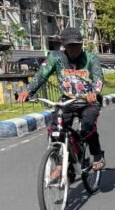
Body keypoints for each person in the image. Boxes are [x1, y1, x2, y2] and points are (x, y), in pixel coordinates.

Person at [18, 27, 105, 170]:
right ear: (64, 45)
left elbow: (98, 78)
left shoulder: (91, 58)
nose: (74, 49)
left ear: (81, 44)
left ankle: (97, 154)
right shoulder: (56, 57)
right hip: (67, 100)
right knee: (56, 130)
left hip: (89, 101)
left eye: (76, 45)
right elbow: (42, 74)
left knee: (87, 126)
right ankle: (61, 166)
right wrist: (28, 90)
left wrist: (94, 92)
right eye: (70, 45)